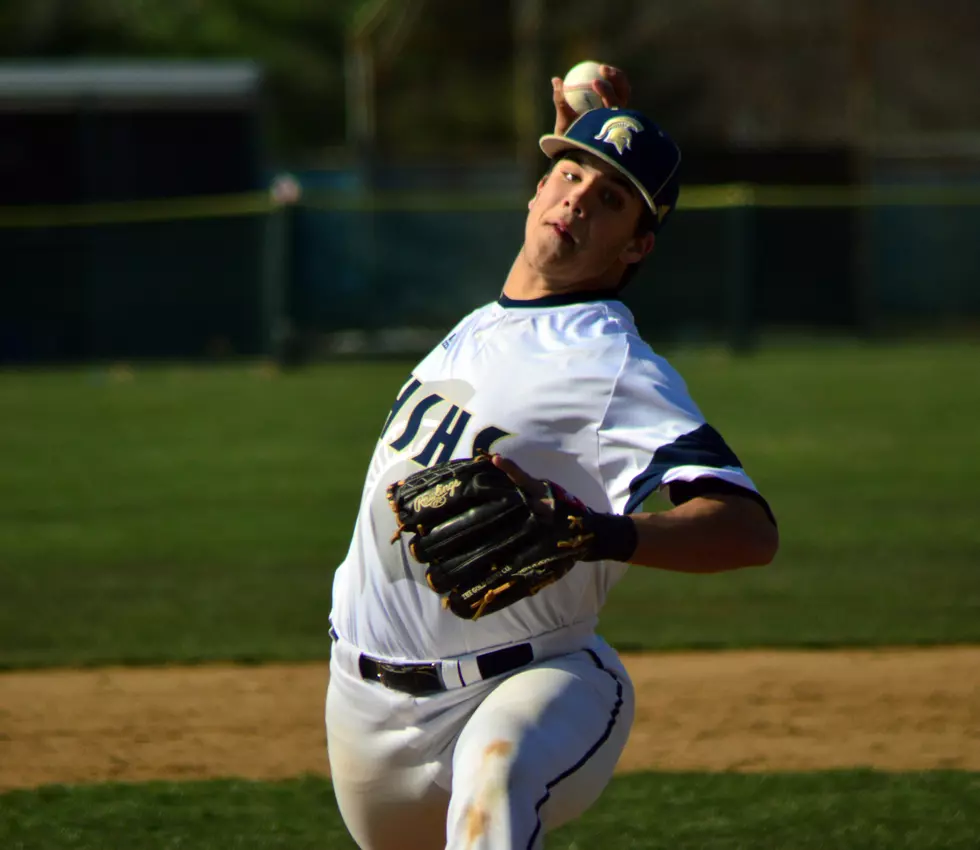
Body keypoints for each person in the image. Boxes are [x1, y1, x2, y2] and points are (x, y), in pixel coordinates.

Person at [325, 65, 779, 850]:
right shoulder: (485, 324)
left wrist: (602, 534)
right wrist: (594, 138)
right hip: (363, 707)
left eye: (610, 201)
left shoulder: (612, 364)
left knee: (495, 787)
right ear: (535, 191)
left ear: (637, 247)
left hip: (530, 683)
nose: (576, 200)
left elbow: (746, 528)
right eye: (568, 178)